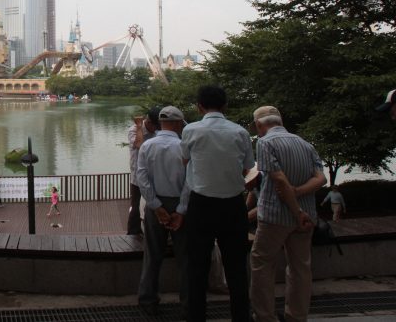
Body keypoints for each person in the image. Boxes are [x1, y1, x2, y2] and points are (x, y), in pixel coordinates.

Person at [180, 85, 255, 322]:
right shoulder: (240, 132)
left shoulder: (191, 130)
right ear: (225, 106)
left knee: (197, 268)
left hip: (200, 205)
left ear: (199, 106)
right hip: (233, 206)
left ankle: (196, 317)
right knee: (236, 269)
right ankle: (241, 318)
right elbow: (247, 167)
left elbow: (185, 161)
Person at [250, 105, 327, 322]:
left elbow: (280, 181)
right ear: (280, 121)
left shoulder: (265, 143)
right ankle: (297, 316)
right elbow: (321, 179)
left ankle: (265, 316)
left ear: (259, 125)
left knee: (262, 264)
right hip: (306, 218)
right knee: (300, 268)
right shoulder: (305, 144)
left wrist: (296, 208)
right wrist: (301, 197)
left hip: (275, 216)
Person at [136, 105, 190, 316]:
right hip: (180, 205)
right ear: (178, 123)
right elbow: (191, 181)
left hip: (154, 205)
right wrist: (181, 210)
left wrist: (156, 206)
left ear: (160, 122)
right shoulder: (184, 147)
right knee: (185, 257)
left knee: (152, 255)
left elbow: (142, 178)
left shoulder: (147, 147)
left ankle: (148, 300)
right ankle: (188, 302)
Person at [127, 107, 160, 235]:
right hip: (138, 174)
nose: (158, 129)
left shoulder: (157, 130)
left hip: (154, 174)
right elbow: (140, 145)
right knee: (135, 205)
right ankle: (132, 233)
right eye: (156, 126)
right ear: (149, 122)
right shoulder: (134, 130)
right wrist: (140, 127)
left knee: (155, 203)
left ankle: (153, 231)